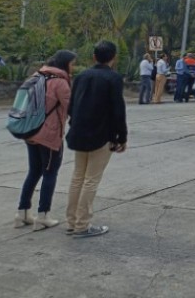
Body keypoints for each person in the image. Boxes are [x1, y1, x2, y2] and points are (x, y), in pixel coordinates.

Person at [65, 40, 128, 238]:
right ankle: (82, 225)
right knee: (91, 180)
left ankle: (72, 221)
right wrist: (121, 137)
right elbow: (118, 110)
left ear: (94, 57)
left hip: (79, 133)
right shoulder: (113, 78)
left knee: (78, 177)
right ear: (114, 58)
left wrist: (74, 125)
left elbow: (71, 105)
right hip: (101, 135)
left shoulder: (82, 76)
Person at [14, 49, 77, 232]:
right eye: (72, 63)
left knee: (34, 171)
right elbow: (71, 107)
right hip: (49, 136)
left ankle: (22, 212)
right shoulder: (60, 82)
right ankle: (43, 216)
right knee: (50, 173)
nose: (72, 67)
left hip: (30, 131)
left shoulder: (35, 76)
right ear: (65, 64)